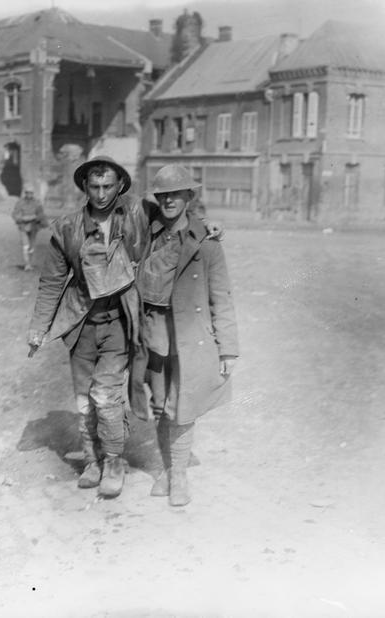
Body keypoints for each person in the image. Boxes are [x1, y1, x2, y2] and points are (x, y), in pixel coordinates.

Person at [27, 156, 150, 499]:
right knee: (84, 398)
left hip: (120, 322)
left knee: (106, 394)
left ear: (119, 185)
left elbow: (175, 221)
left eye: (107, 186)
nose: (100, 194)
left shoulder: (137, 215)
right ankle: (92, 460)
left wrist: (207, 229)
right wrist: (38, 329)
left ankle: (113, 460)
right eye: (93, 187)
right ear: (84, 187)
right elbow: (52, 281)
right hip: (81, 322)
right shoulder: (67, 228)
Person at [130, 164, 239, 507]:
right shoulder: (148, 235)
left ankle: (178, 475)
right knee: (162, 406)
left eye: (176, 194)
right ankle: (168, 467)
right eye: (163, 195)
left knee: (184, 407)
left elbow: (221, 297)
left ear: (189, 198)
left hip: (191, 338)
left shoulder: (206, 243)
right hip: (154, 334)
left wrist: (228, 349)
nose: (169, 201)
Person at [12, 184, 48, 271]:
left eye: (31, 193)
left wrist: (36, 218)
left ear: (33, 194)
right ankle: (27, 264)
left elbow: (41, 215)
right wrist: (24, 218)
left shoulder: (37, 203)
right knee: (25, 246)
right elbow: (15, 215)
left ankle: (30, 263)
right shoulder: (20, 203)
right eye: (27, 193)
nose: (29, 195)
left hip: (34, 227)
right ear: (25, 193)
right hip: (23, 227)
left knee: (32, 246)